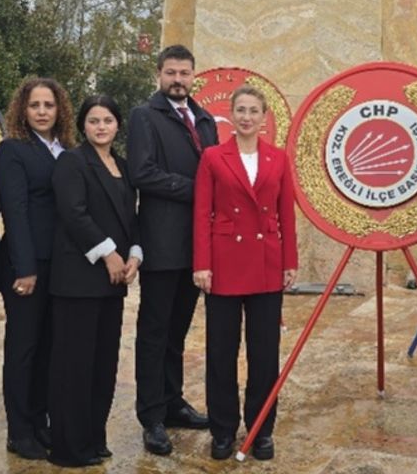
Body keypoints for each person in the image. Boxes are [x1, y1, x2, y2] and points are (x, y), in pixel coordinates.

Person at [192, 85, 298, 461]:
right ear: (231, 115)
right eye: (241, 110)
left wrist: (290, 262)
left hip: (267, 263)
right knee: (221, 352)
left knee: (264, 353)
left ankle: (260, 429)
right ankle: (222, 430)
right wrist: (201, 264)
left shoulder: (278, 158)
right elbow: (202, 212)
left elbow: (287, 212)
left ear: (264, 117)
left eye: (254, 110)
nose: (247, 117)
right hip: (223, 263)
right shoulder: (213, 157)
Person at [126, 44, 219, 455]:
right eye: (171, 73)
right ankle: (151, 416)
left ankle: (173, 402)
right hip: (162, 243)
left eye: (184, 73)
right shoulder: (145, 117)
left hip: (197, 246)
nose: (178, 80)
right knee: (154, 331)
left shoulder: (205, 119)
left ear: (193, 75)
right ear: (159, 75)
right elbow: (142, 173)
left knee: (178, 331)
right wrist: (198, 190)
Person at [48, 95, 143, 467]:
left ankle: (94, 437)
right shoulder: (72, 162)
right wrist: (108, 252)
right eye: (93, 121)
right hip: (78, 279)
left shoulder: (121, 164)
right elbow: (73, 214)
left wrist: (134, 253)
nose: (100, 126)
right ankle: (69, 448)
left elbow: (132, 218)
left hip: (113, 282)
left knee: (103, 364)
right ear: (82, 126)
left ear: (117, 125)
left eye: (107, 120)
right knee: (74, 365)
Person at [0, 77, 76, 460]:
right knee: (24, 348)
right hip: (28, 264)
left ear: (60, 110)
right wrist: (24, 268)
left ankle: (40, 421)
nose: (42, 112)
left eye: (48, 105)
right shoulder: (13, 150)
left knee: (50, 346)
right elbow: (16, 210)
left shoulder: (68, 150)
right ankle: (19, 429)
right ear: (22, 111)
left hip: (62, 264)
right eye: (34, 106)